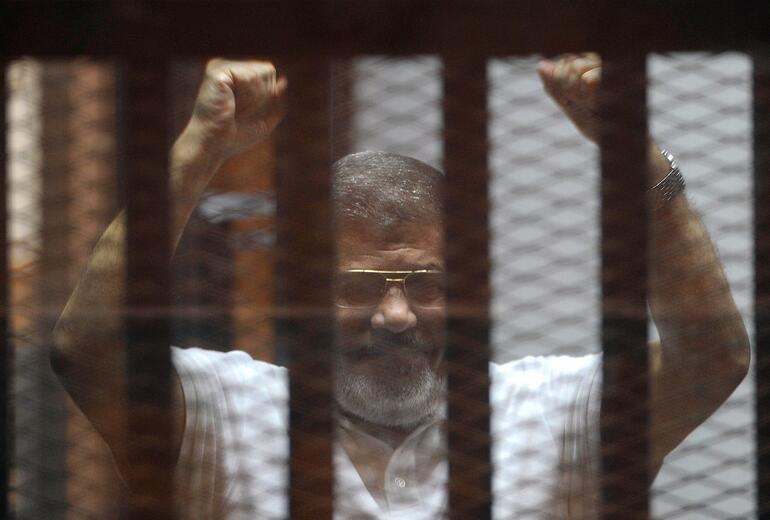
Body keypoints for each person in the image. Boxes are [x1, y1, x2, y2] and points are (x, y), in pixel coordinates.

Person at [51, 55, 750, 518]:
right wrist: (199, 150)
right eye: (356, 288)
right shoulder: (226, 408)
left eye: (428, 285)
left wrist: (637, 158)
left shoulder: (553, 411)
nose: (395, 315)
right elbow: (86, 351)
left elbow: (712, 357)